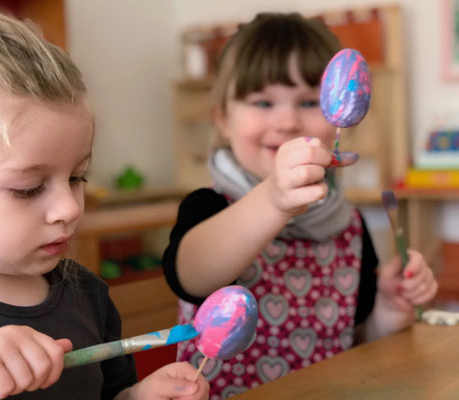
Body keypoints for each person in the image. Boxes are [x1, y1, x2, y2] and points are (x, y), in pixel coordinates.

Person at [0, 1, 210, 399]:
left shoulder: (87, 295)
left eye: (77, 177)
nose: (70, 208)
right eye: (29, 188)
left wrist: (138, 396)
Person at [163, 12, 438, 399]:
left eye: (310, 101)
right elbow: (190, 276)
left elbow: (358, 337)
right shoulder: (209, 206)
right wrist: (274, 198)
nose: (288, 121)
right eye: (263, 102)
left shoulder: (351, 226)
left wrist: (390, 309)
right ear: (223, 119)